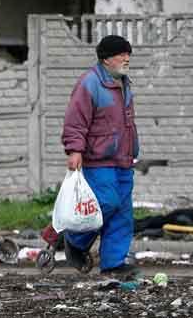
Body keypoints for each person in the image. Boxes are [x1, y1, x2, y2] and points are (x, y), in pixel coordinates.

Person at [60, 34, 139, 278]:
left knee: (123, 213)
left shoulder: (123, 83)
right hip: (98, 159)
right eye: (121, 54)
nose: (126, 58)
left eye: (128, 54)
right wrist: (75, 150)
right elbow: (75, 121)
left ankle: (113, 264)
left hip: (123, 160)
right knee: (106, 204)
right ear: (106, 59)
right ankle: (74, 239)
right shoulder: (89, 84)